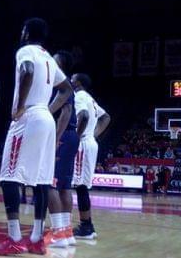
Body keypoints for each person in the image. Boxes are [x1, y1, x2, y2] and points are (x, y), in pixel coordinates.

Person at [0, 18, 73, 255]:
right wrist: (48, 108)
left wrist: (21, 106)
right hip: (45, 118)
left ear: (26, 32)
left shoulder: (25, 51)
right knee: (42, 181)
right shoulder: (48, 57)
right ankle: (36, 239)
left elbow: (26, 71)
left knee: (8, 176)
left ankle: (14, 238)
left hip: (29, 118)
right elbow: (67, 89)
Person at [45, 50, 80, 248]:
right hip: (72, 135)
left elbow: (66, 112)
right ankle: (66, 232)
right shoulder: (65, 84)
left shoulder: (62, 83)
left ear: (61, 64)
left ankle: (58, 233)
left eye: (54, 59)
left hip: (64, 135)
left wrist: (56, 138)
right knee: (65, 186)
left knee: (51, 184)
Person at [71, 73, 111, 239]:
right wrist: (93, 134)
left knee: (78, 185)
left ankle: (84, 227)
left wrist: (77, 137)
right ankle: (87, 226)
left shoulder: (79, 95)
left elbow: (84, 116)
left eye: (72, 79)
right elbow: (106, 117)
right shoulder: (90, 98)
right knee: (82, 186)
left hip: (82, 143)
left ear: (78, 82)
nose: (69, 80)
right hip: (90, 142)